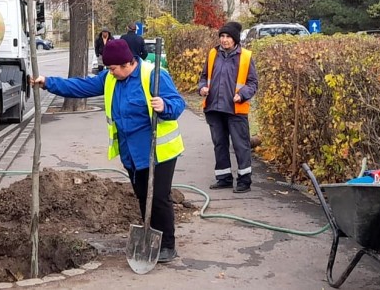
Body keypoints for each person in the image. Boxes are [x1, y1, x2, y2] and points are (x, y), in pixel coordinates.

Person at [31, 39, 185, 264]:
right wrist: (48, 82)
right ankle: (151, 237)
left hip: (159, 151)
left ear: (127, 63)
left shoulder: (153, 75)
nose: (110, 73)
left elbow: (178, 104)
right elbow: (81, 86)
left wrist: (165, 106)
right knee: (143, 195)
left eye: (113, 69)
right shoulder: (110, 79)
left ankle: (168, 245)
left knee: (159, 197)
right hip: (131, 154)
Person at [198, 21, 259, 193]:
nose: (224, 40)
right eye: (222, 36)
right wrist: (202, 88)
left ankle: (244, 181)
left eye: (228, 37)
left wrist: (242, 94)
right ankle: (223, 178)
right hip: (214, 108)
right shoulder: (212, 54)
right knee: (220, 144)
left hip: (235, 109)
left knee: (241, 145)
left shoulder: (245, 56)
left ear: (235, 39)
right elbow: (203, 77)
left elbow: (253, 82)